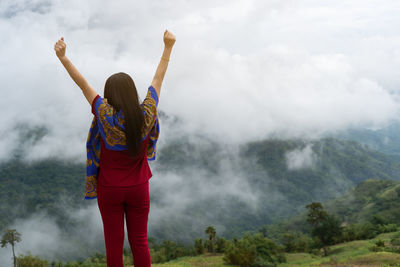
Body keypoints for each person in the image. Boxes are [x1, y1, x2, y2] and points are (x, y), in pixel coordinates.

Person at [54, 29, 176, 267]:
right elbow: (158, 79)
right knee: (140, 241)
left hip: (109, 189)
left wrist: (64, 58)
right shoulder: (146, 114)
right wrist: (168, 47)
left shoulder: (103, 113)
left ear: (109, 95)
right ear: (133, 93)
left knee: (113, 243)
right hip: (139, 187)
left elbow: (83, 85)